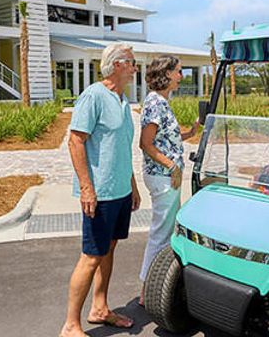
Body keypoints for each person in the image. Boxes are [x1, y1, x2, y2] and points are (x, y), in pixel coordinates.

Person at [59, 43, 141, 337]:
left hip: (119, 191)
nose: (135, 68)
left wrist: (131, 185)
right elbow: (75, 141)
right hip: (100, 194)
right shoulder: (93, 96)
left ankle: (100, 308)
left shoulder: (122, 99)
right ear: (117, 64)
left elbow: (120, 148)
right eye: (131, 62)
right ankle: (70, 325)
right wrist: (86, 188)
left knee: (109, 249)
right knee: (91, 255)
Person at [138, 55, 199, 306]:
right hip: (163, 177)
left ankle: (153, 285)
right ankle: (146, 291)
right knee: (161, 234)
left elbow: (166, 140)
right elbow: (146, 143)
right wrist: (172, 165)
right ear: (166, 73)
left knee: (165, 230)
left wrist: (191, 133)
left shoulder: (162, 102)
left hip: (166, 176)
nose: (181, 76)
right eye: (178, 71)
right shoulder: (155, 103)